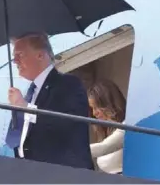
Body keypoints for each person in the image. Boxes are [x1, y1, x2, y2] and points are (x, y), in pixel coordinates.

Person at [5, 32, 94, 169]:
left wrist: (25, 107)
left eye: (20, 55)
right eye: (14, 57)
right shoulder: (31, 93)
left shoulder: (68, 84)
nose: (15, 61)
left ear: (40, 55)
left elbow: (66, 123)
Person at [87, 80, 126, 174]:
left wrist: (72, 150)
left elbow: (104, 147)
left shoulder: (127, 126)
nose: (94, 113)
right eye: (92, 108)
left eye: (96, 107)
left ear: (108, 103)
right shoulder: (107, 131)